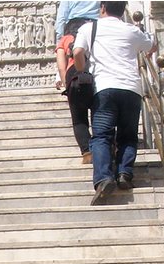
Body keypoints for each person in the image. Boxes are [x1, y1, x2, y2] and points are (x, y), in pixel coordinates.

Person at [73, 1, 156, 205]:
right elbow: (152, 44)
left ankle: (104, 178)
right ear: (122, 10)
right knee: (128, 135)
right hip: (131, 89)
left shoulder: (88, 28)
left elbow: (77, 53)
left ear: (102, 7)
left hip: (105, 88)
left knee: (102, 136)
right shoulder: (131, 30)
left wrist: (83, 70)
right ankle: (125, 173)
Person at [53, 0, 100, 163]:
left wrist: (63, 77)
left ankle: (87, 152)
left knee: (79, 118)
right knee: (98, 112)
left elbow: (60, 20)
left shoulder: (67, 38)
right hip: (96, 75)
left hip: (74, 78)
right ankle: (105, 146)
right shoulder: (97, 34)